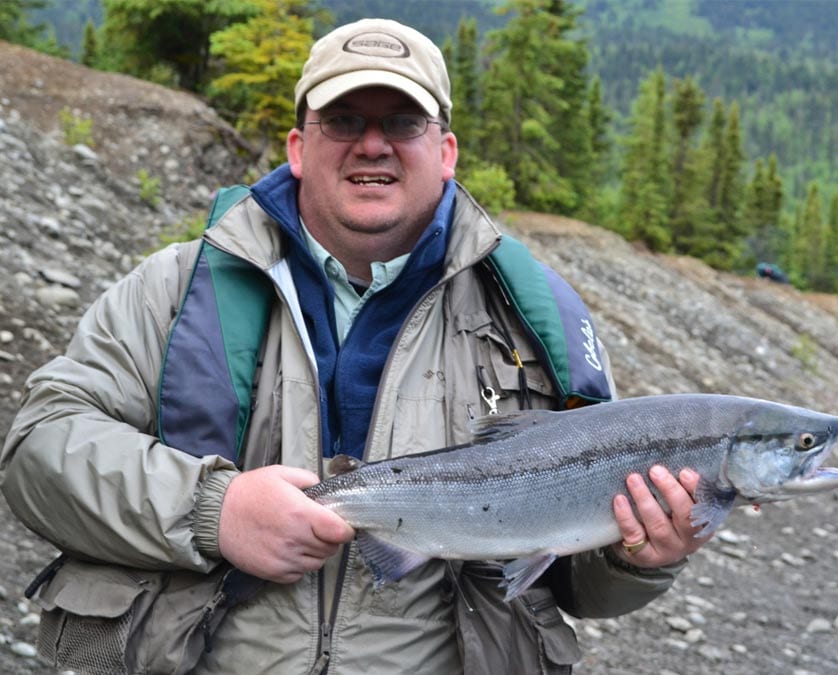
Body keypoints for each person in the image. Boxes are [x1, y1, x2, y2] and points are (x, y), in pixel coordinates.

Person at [0, 18, 713, 675]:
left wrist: (637, 557)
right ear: (298, 146)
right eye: (343, 119)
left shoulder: (539, 319)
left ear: (447, 151)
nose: (372, 144)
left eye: (402, 121)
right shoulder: (176, 288)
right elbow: (38, 448)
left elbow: (576, 582)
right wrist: (215, 511)